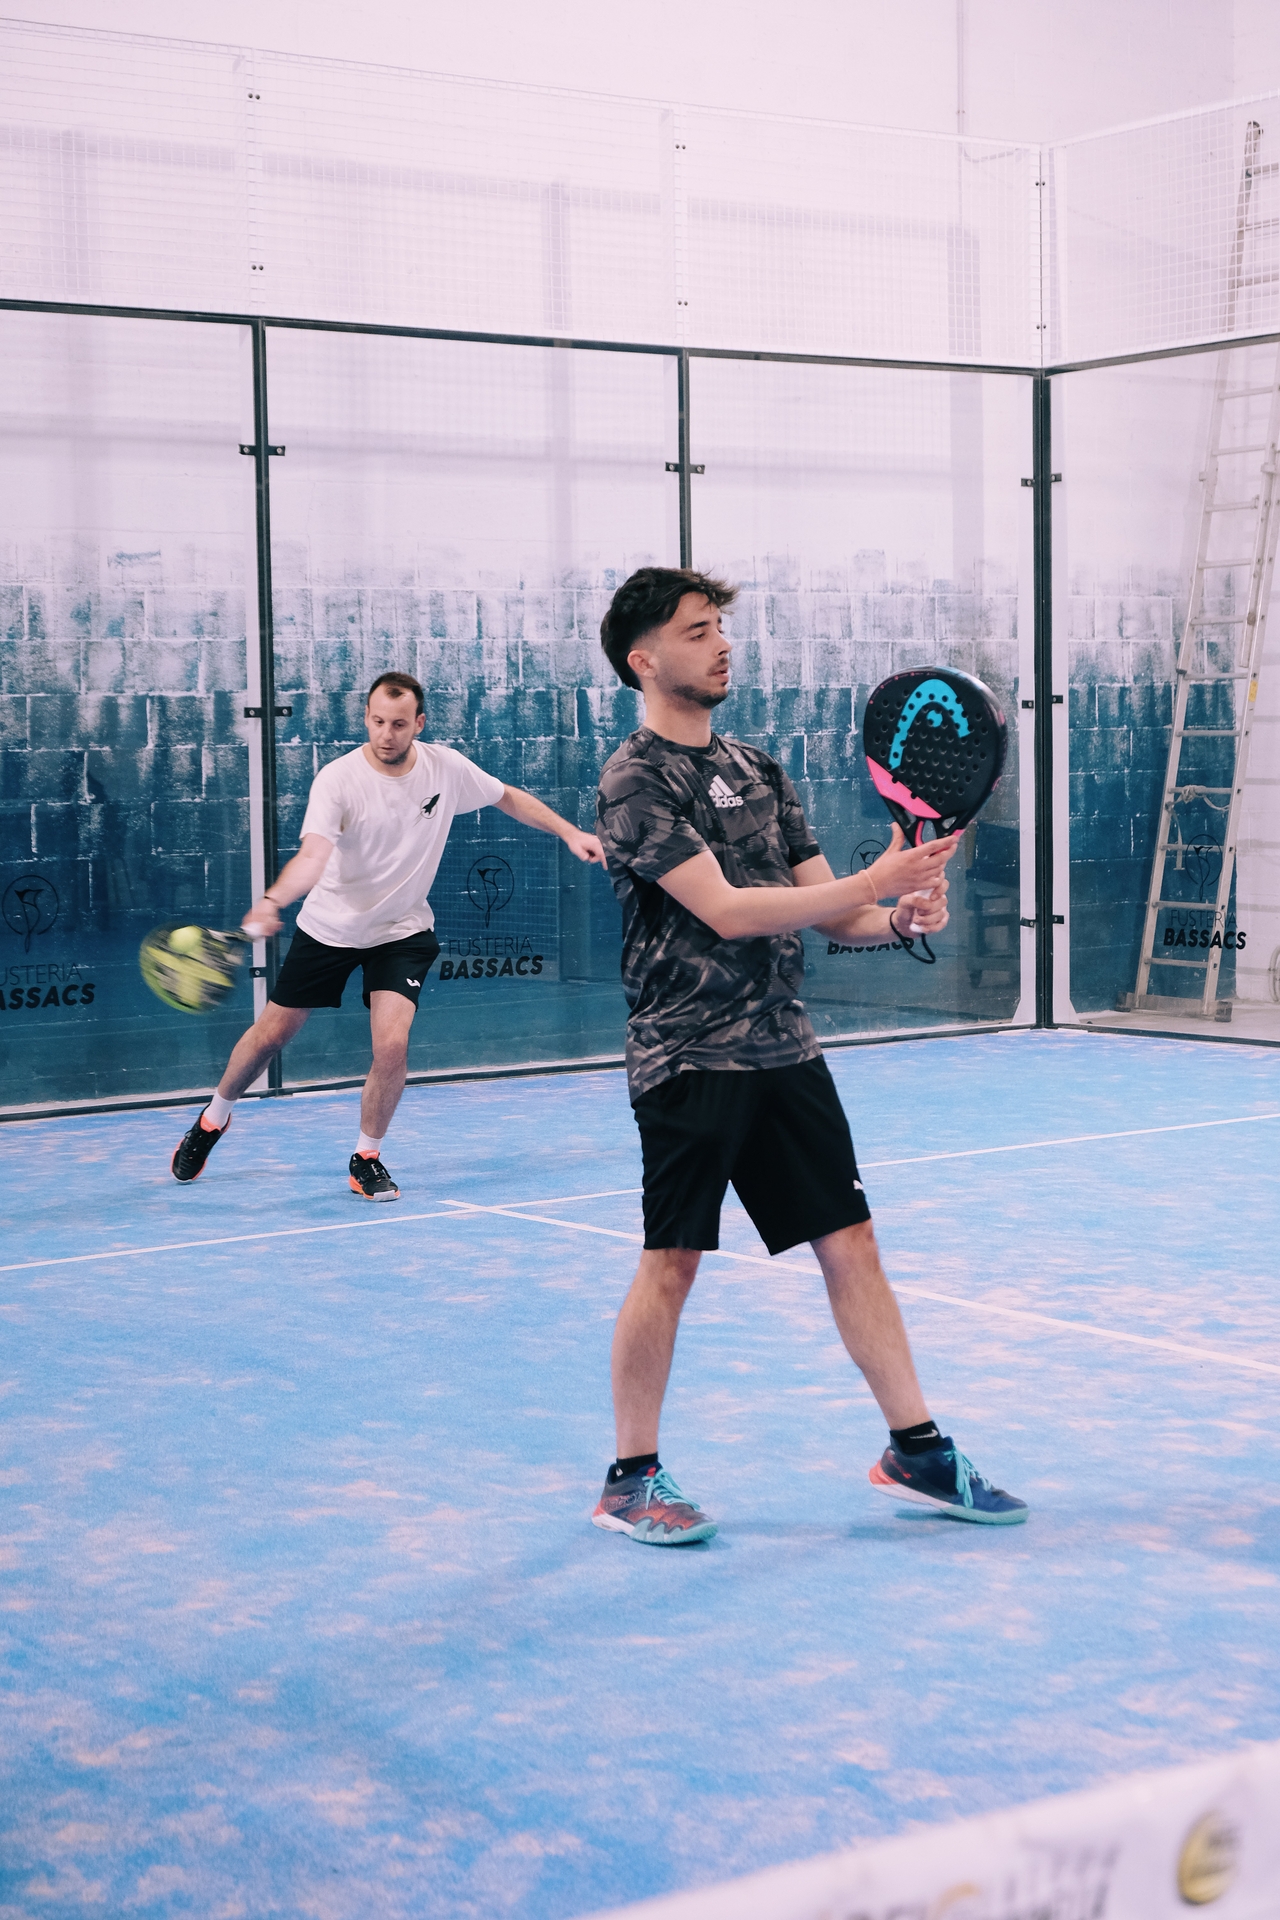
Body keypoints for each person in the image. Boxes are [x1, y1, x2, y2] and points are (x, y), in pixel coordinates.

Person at [590, 567, 1027, 1545]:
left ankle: (915, 1449)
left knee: (850, 1240)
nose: (720, 644)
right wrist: (877, 880)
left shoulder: (759, 769)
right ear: (643, 660)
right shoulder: (634, 780)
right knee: (672, 1262)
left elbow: (829, 913)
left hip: (783, 1048)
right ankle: (630, 1478)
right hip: (687, 1057)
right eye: (696, 631)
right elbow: (726, 910)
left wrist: (898, 916)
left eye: (719, 626)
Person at [171, 671, 605, 1198]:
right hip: (330, 928)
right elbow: (313, 856)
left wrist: (569, 832)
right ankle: (213, 1119)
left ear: (418, 723)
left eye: (399, 724)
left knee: (393, 1045)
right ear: (367, 718)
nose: (386, 734)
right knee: (271, 1036)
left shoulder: (445, 768)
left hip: (402, 931)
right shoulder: (337, 779)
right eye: (377, 721)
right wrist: (272, 900)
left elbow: (507, 797)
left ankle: (366, 1157)